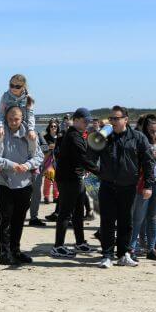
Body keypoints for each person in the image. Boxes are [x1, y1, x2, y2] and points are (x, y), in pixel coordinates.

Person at [90, 106, 155, 269]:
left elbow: (148, 162)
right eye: (111, 118)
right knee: (107, 221)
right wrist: (97, 138)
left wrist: (148, 185)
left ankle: (124, 254)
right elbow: (90, 158)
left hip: (128, 186)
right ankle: (107, 255)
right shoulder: (105, 137)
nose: (113, 121)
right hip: (107, 185)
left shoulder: (138, 137)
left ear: (126, 120)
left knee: (126, 221)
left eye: (116, 118)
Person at [0, 106, 44, 266]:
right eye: (10, 119)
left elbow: (39, 156)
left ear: (22, 119)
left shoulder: (30, 134)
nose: (13, 122)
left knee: (19, 219)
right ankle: (4, 253)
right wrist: (11, 164)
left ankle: (15, 251)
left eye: (17, 119)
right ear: (6, 118)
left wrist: (27, 165)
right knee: (5, 219)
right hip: (5, 183)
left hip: (25, 183)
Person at [49, 108, 100, 258]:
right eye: (85, 121)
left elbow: (85, 156)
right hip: (68, 179)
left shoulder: (78, 135)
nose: (87, 124)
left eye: (88, 121)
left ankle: (80, 243)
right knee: (65, 213)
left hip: (77, 178)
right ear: (76, 120)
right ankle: (58, 246)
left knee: (78, 213)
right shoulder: (73, 136)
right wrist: (100, 173)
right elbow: (83, 158)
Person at [129, 116, 156, 261]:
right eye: (151, 131)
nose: (154, 133)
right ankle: (131, 248)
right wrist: (149, 157)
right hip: (144, 181)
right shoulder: (141, 140)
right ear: (146, 129)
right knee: (138, 217)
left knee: (153, 216)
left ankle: (151, 248)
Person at [0, 74, 37, 152]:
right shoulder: (5, 96)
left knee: (32, 137)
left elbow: (30, 115)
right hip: (8, 124)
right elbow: (1, 113)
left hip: (23, 124)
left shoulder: (28, 98)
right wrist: (0, 126)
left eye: (17, 86)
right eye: (11, 85)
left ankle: (32, 157)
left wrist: (31, 129)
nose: (14, 88)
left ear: (23, 86)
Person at [27, 133, 49, 227]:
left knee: (36, 194)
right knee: (21, 194)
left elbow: (46, 150)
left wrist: (43, 166)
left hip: (35, 169)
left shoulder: (37, 134)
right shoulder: (13, 134)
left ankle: (33, 218)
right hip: (20, 169)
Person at [42, 121, 59, 204]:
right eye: (51, 126)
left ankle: (56, 196)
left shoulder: (60, 137)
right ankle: (46, 196)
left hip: (58, 160)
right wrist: (49, 148)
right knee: (49, 177)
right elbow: (42, 149)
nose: (53, 128)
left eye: (55, 126)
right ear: (49, 127)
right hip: (48, 160)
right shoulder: (45, 137)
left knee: (56, 179)